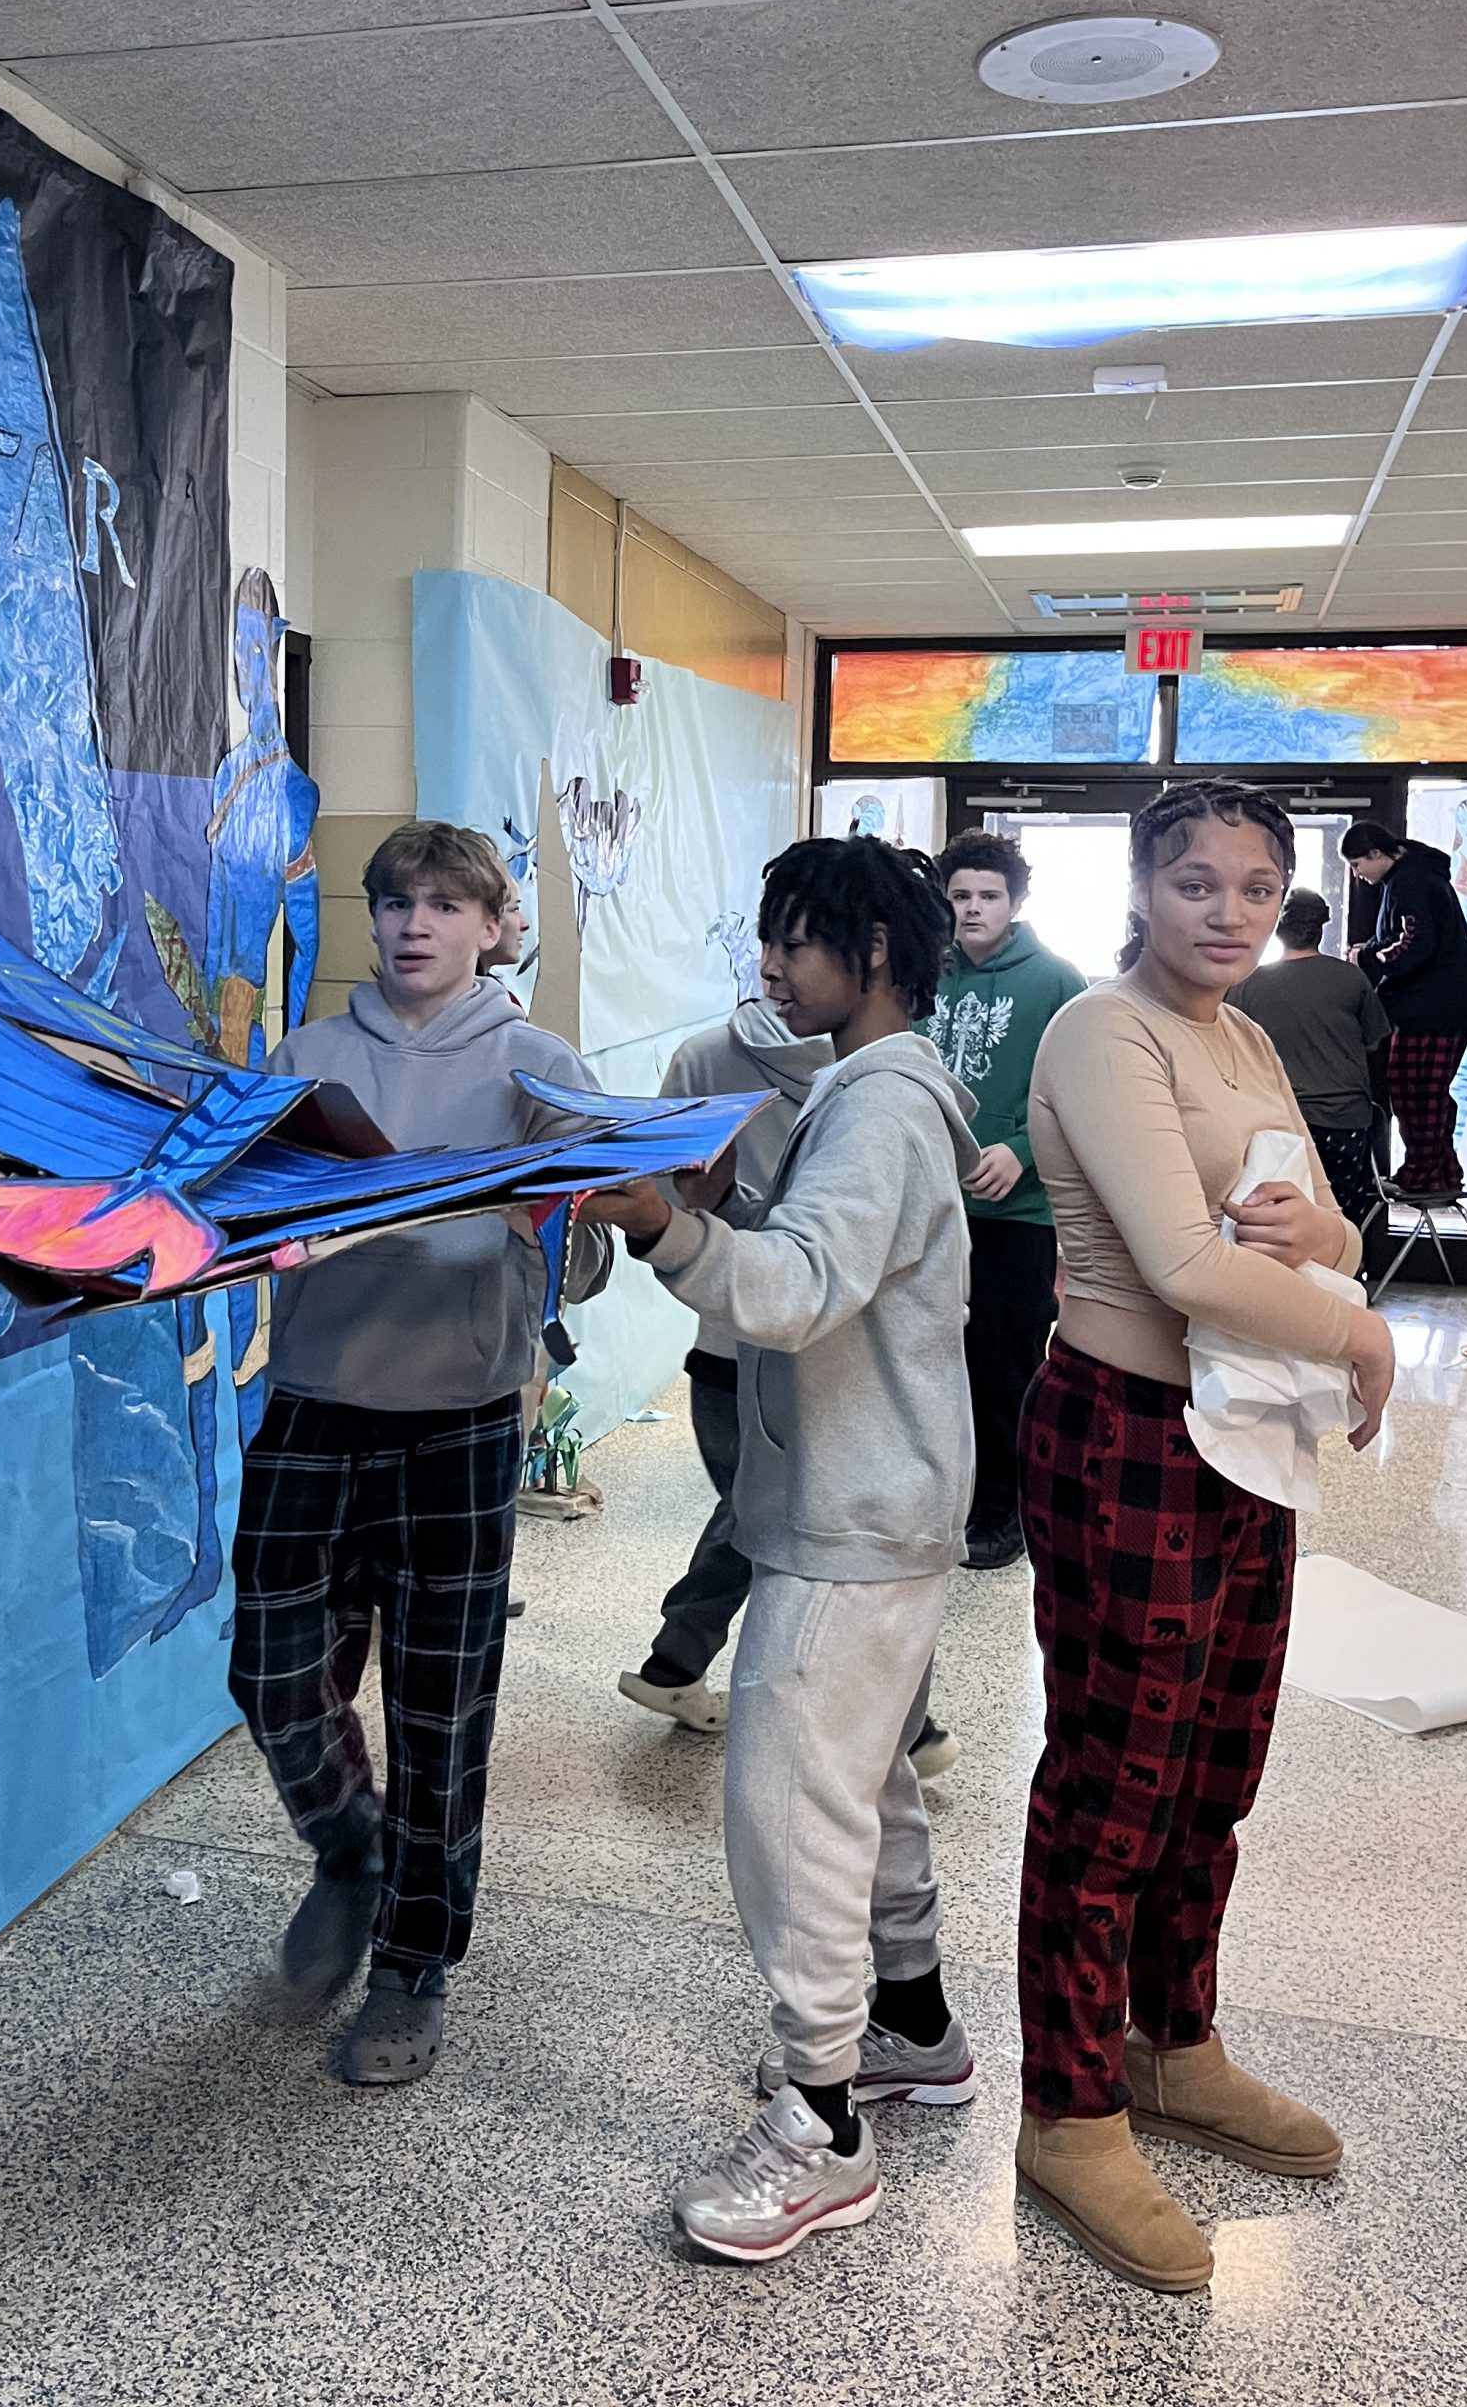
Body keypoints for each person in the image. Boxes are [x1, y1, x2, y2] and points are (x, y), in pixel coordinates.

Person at [1015, 781, 1396, 2294]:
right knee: (1112, 1781)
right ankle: (1072, 2106)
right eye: (1194, 882)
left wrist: (1330, 1257)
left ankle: (1175, 2046)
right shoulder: (1105, 1033)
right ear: (1141, 888)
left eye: (1254, 885)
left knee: (1216, 1766)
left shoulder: (1241, 1036)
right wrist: (1359, 1333)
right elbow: (1179, 1260)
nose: (1227, 911)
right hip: (1125, 1432)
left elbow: (1323, 1219)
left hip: (1245, 1441)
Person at [585, 837, 982, 2264]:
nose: (767, 966)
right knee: (866, 1784)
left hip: (854, 1515)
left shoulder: (874, 1108)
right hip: (875, 1498)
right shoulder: (867, 1093)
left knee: (792, 1807)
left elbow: (801, 1290)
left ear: (870, 954)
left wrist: (659, 1227)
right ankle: (914, 2025)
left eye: (793, 942)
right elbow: (825, 1257)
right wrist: (695, 1199)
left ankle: (822, 2124)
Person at [229, 821, 611, 2086]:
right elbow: (244, 1217)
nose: (414, 924)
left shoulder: (537, 1062)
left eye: (446, 905)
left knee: (440, 1708)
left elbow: (598, 1239)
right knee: (273, 1673)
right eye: (395, 901)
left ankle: (411, 1965)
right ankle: (351, 1849)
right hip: (316, 1397)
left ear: (493, 926)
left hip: (459, 1410)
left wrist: (548, 1213)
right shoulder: (306, 1057)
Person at [616, 999, 832, 1734]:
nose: (778, 965)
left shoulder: (700, 1055)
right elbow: (670, 1196)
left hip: (730, 1346)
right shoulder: (873, 1072)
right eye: (776, 939)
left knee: (761, 1512)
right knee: (778, 1519)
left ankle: (676, 1661)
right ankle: (905, 1722)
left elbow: (664, 1195)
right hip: (784, 1351)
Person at [920, 830, 1087, 1570]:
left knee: (1003, 1370)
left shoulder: (1058, 982)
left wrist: (1018, 1152)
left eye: (989, 896)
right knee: (932, 1363)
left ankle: (1005, 1512)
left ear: (1016, 902)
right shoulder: (925, 973)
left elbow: (1076, 1097)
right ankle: (947, 1499)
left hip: (1016, 1216)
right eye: (960, 896)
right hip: (929, 1208)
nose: (973, 909)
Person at [1229, 887, 1391, 1241]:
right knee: (1342, 1216)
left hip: (1276, 1122)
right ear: (1321, 928)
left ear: (1277, 928)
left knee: (1277, 1215)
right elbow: (1376, 1039)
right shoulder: (1351, 979)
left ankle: (1293, 1287)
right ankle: (1345, 1279)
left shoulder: (1247, 985)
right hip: (1344, 1117)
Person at [1340, 820, 1467, 1198]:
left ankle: (1423, 1176)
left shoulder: (1411, 882)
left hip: (1435, 1005)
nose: (1358, 876)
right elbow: (1402, 936)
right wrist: (1368, 950)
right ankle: (1441, 1172)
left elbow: (1414, 943)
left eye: (1358, 865)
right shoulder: (1414, 877)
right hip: (1440, 1002)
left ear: (1376, 853)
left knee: (1417, 1088)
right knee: (1421, 1087)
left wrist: (1368, 956)